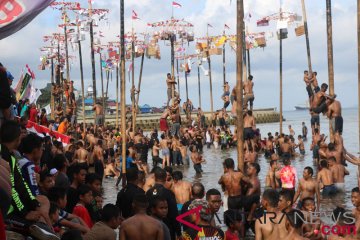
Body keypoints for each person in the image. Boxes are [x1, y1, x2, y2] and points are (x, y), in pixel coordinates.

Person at [146, 168, 181, 239]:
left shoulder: (148, 192)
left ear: (154, 178)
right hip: (167, 228)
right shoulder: (168, 193)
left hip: (150, 227)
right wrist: (179, 232)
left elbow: (146, 211)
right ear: (166, 178)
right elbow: (174, 213)